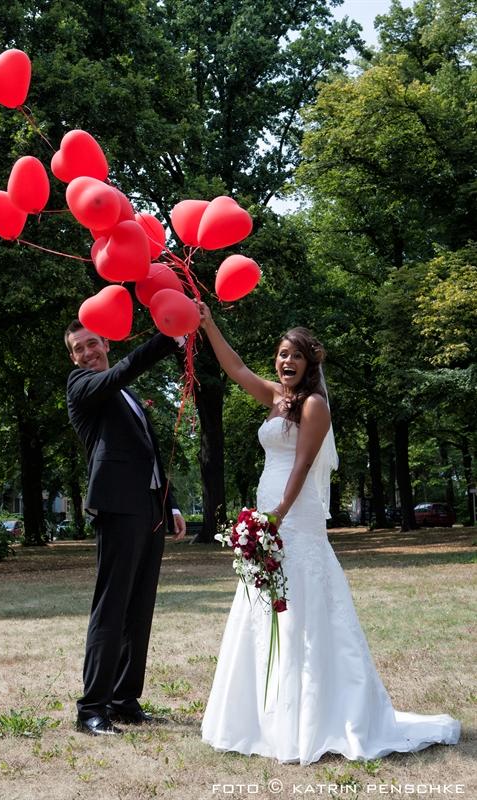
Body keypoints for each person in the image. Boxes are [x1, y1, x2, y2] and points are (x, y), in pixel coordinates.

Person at [198, 303, 460, 764]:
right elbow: (235, 367)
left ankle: (317, 715)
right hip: (267, 509)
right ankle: (264, 714)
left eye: (295, 356)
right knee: (266, 604)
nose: (286, 363)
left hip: (294, 515)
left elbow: (301, 464)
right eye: (281, 355)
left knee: (302, 606)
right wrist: (208, 323)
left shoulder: (315, 405)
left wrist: (278, 512)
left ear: (309, 362)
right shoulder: (277, 400)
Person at [65, 320, 186, 736]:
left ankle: (124, 701)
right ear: (73, 357)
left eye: (93, 343)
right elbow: (122, 371)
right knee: (111, 608)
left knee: (139, 609)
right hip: (117, 508)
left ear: (106, 343)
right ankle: (91, 709)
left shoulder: (126, 395)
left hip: (148, 507)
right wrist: (171, 335)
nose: (87, 353)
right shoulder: (81, 386)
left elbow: (148, 450)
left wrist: (169, 504)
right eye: (79, 348)